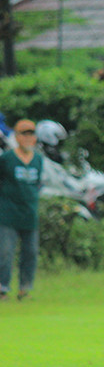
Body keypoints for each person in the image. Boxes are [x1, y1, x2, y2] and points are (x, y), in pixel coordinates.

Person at [0, 119, 44, 301]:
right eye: (24, 133)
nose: (28, 137)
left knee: (31, 253)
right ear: (16, 137)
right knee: (5, 252)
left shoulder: (38, 160)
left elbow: (37, 185)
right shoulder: (6, 159)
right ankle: (3, 289)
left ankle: (24, 290)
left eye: (31, 134)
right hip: (8, 214)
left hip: (29, 214)